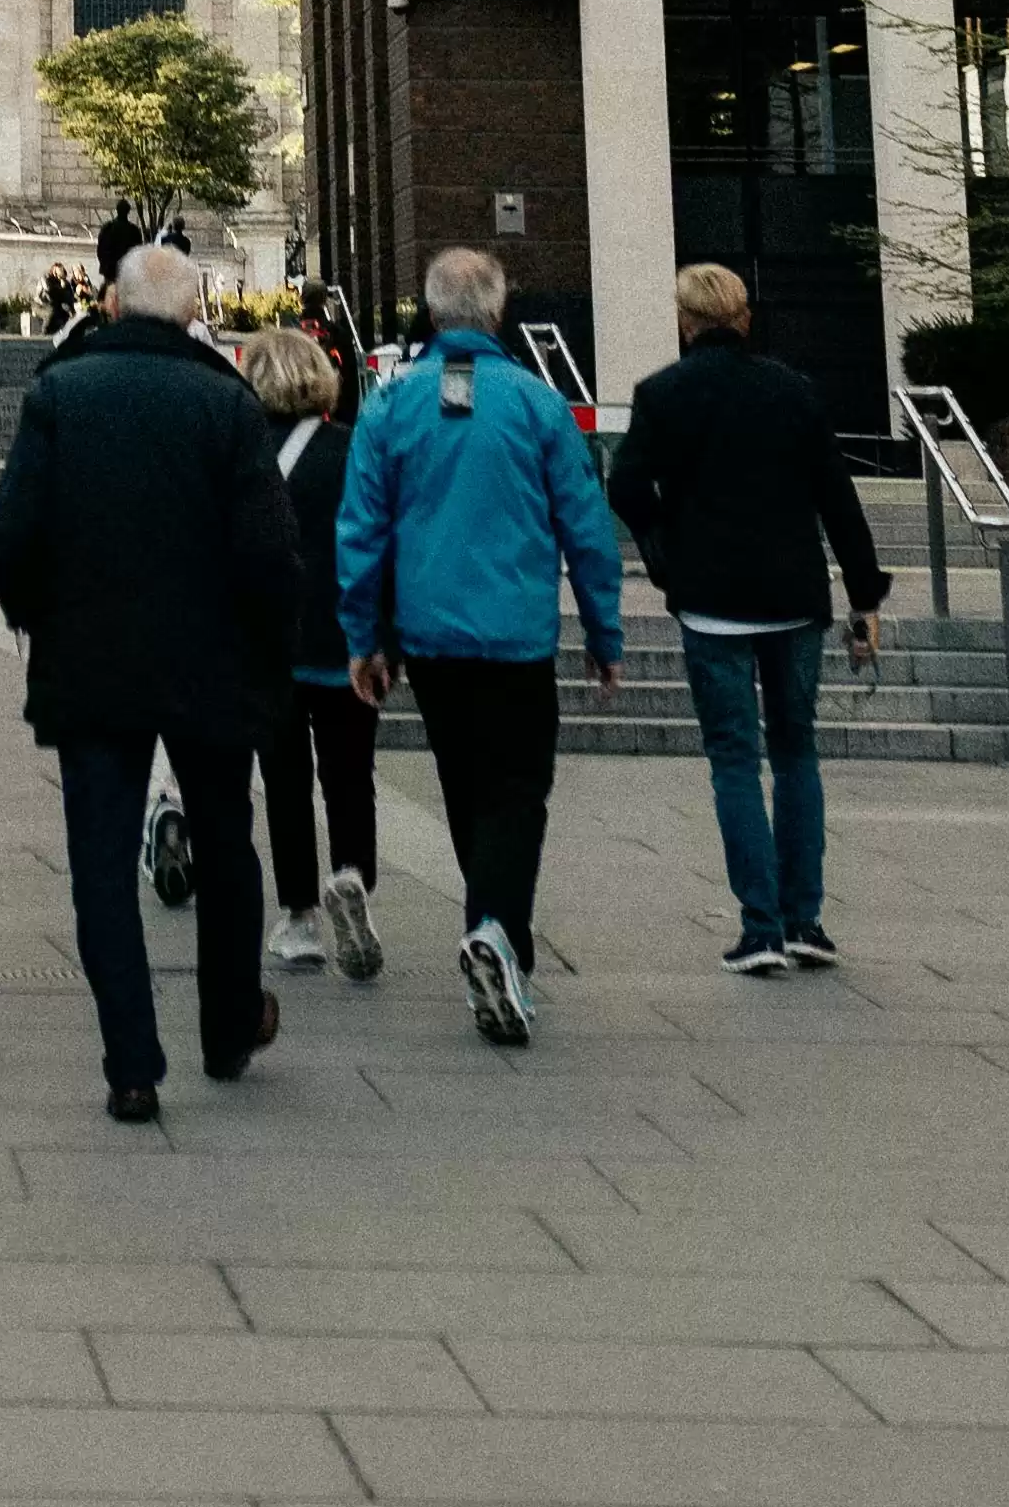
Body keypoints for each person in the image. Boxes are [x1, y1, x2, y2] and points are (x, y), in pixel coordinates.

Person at [0, 238, 301, 1122]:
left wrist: (38, 617)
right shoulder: (228, 403)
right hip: (211, 665)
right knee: (227, 848)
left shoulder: (59, 393)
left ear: (113, 306)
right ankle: (230, 1026)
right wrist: (268, 651)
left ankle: (132, 1065)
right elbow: (270, 554)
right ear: (196, 313)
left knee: (99, 863)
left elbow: (9, 536)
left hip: (92, 665)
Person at [338, 243, 625, 1049]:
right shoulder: (539, 405)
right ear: (497, 313)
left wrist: (365, 636)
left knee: (467, 788)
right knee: (518, 791)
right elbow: (587, 530)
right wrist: (604, 631)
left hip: (431, 640)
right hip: (516, 637)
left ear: (431, 315)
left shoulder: (390, 408)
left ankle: (497, 934)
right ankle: (497, 933)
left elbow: (360, 532)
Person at [607, 259, 888, 976]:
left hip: (712, 605)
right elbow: (838, 501)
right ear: (744, 319)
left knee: (734, 760)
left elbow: (627, 484)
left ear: (685, 322)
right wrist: (864, 598)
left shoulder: (662, 394)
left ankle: (759, 928)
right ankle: (806, 921)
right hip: (795, 600)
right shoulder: (794, 392)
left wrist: (668, 553)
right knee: (796, 754)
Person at [242, 320, 383, 983]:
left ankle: (298, 916)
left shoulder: (241, 454)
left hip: (269, 643)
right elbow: (377, 542)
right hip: (346, 639)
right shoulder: (353, 449)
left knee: (286, 781)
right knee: (350, 775)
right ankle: (351, 875)